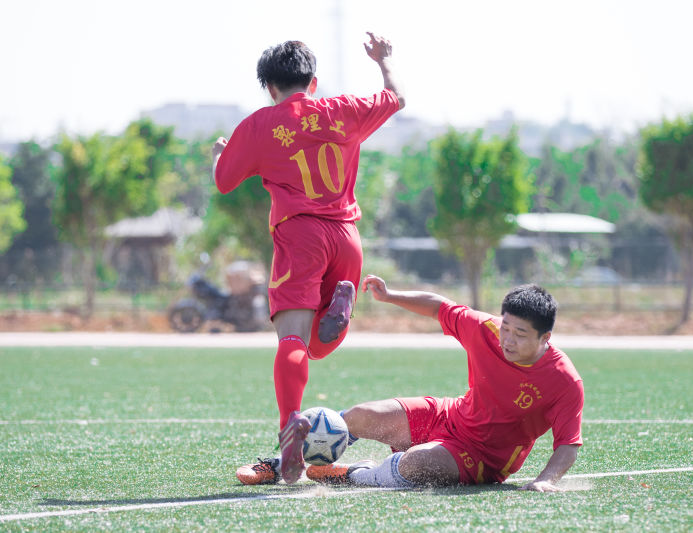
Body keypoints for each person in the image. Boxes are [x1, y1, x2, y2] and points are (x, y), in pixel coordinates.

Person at [215, 34, 405, 485]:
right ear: (313, 82)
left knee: (293, 340)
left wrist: (223, 155)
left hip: (299, 235)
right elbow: (396, 98)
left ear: (269, 87)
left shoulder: (259, 124)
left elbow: (224, 182)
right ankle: (338, 309)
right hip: (346, 235)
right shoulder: (343, 109)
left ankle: (290, 428)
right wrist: (383, 61)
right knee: (318, 346)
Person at [241, 275, 584, 491]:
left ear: (545, 338)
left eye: (520, 334)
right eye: (506, 327)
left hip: (482, 457)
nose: (507, 339)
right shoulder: (486, 329)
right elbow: (440, 307)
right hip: (448, 415)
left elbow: (568, 444)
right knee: (360, 415)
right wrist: (390, 295)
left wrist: (545, 480)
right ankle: (281, 463)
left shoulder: (564, 380)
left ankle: (353, 474)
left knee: (415, 464)